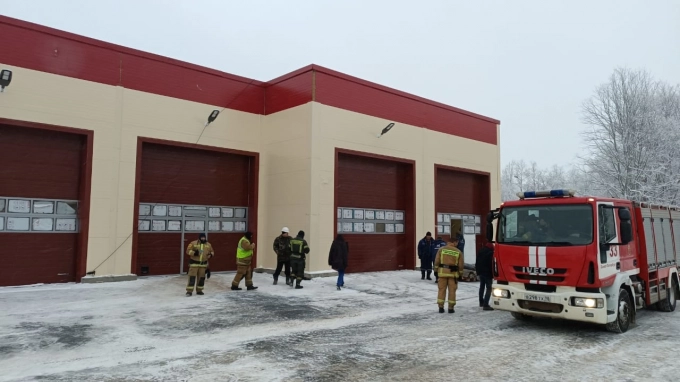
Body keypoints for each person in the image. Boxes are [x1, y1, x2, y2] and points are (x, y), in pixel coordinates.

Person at [434, 236, 464, 313]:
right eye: (457, 242)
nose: (457, 244)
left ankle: (441, 307)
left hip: (442, 273)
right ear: (454, 242)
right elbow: (461, 265)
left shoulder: (441, 249)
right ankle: (451, 308)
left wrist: (436, 270)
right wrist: (460, 274)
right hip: (453, 275)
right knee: (452, 291)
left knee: (441, 290)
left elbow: (437, 261)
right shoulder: (458, 252)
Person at [476, 242, 495, 310]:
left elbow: (477, 261)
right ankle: (486, 304)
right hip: (487, 273)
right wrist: (493, 274)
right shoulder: (491, 253)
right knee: (489, 288)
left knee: (482, 287)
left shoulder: (481, 251)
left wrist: (477, 271)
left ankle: (481, 302)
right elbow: (491, 264)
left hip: (481, 272)